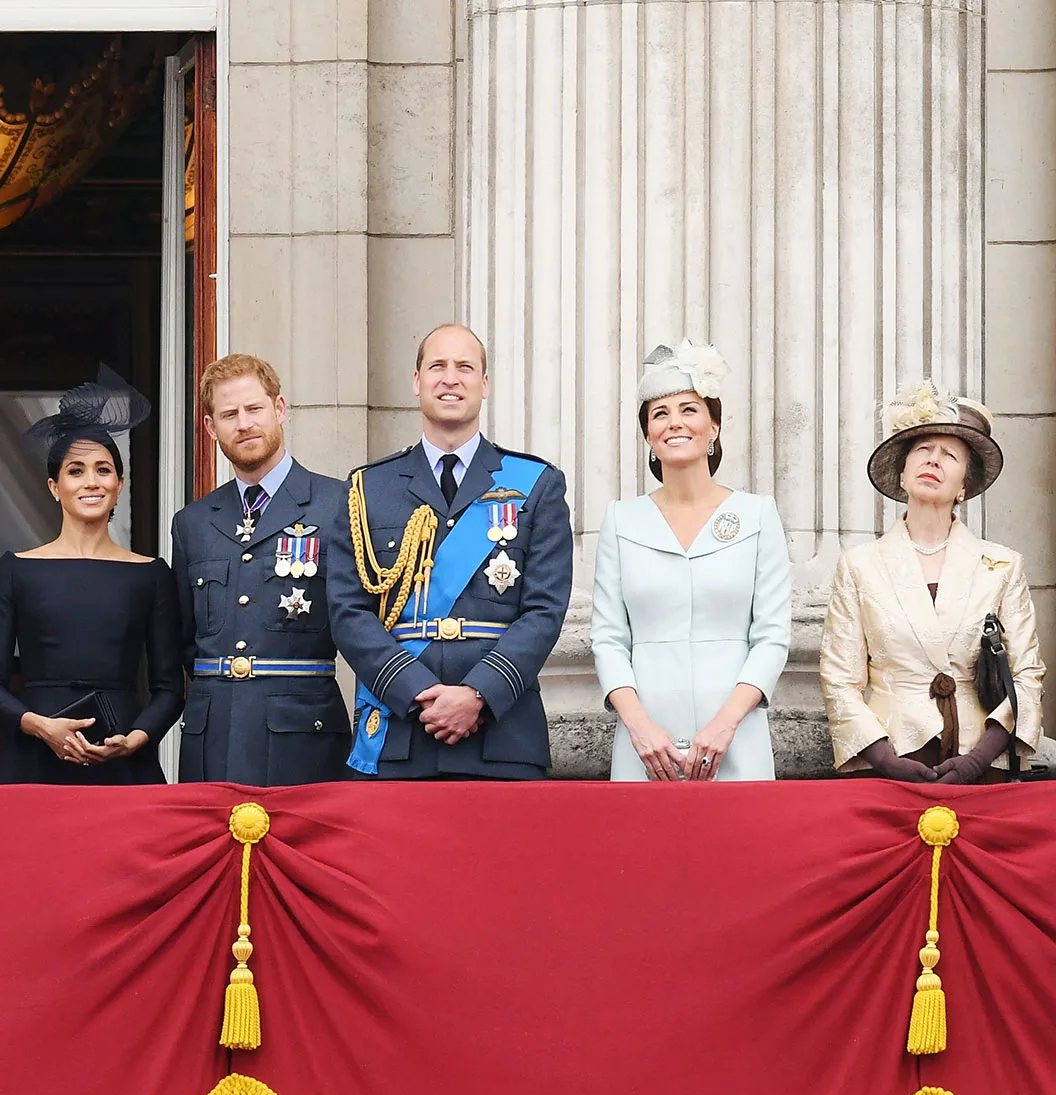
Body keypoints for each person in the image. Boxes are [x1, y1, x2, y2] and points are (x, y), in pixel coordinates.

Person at [328, 323, 573, 779]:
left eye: (465, 367)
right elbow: (348, 612)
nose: (450, 377)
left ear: (484, 384)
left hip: (502, 736)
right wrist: (418, 692)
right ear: (416, 381)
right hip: (401, 732)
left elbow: (544, 610)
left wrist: (478, 694)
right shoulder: (367, 489)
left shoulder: (535, 484)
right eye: (437, 365)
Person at [821, 384, 1044, 783]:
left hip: (981, 760)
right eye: (923, 450)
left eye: (950, 455)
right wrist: (886, 761)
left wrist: (979, 759)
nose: (934, 460)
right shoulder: (859, 565)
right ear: (903, 475)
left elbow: (1027, 675)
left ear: (963, 487)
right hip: (888, 759)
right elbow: (839, 678)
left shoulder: (1003, 566)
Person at [590, 343, 793, 781]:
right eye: (659, 413)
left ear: (713, 426)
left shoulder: (757, 515)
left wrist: (725, 725)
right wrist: (641, 729)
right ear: (648, 435)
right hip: (646, 746)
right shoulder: (621, 519)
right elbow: (608, 638)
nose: (674, 422)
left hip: (736, 737)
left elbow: (772, 636)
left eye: (689, 409)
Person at [0, 368, 182, 785]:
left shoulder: (152, 574)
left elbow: (170, 689)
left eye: (103, 470)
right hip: (33, 760)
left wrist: (136, 739)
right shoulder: (15, 569)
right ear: (54, 486)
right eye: (76, 471)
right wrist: (39, 726)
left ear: (120, 484)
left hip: (122, 761)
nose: (91, 481)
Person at [171, 354, 349, 785]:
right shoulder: (193, 522)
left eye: (254, 409)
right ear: (212, 428)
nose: (244, 423)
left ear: (280, 409)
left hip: (304, 737)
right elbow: (182, 640)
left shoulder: (338, 504)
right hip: (212, 737)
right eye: (229, 414)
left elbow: (364, 626)